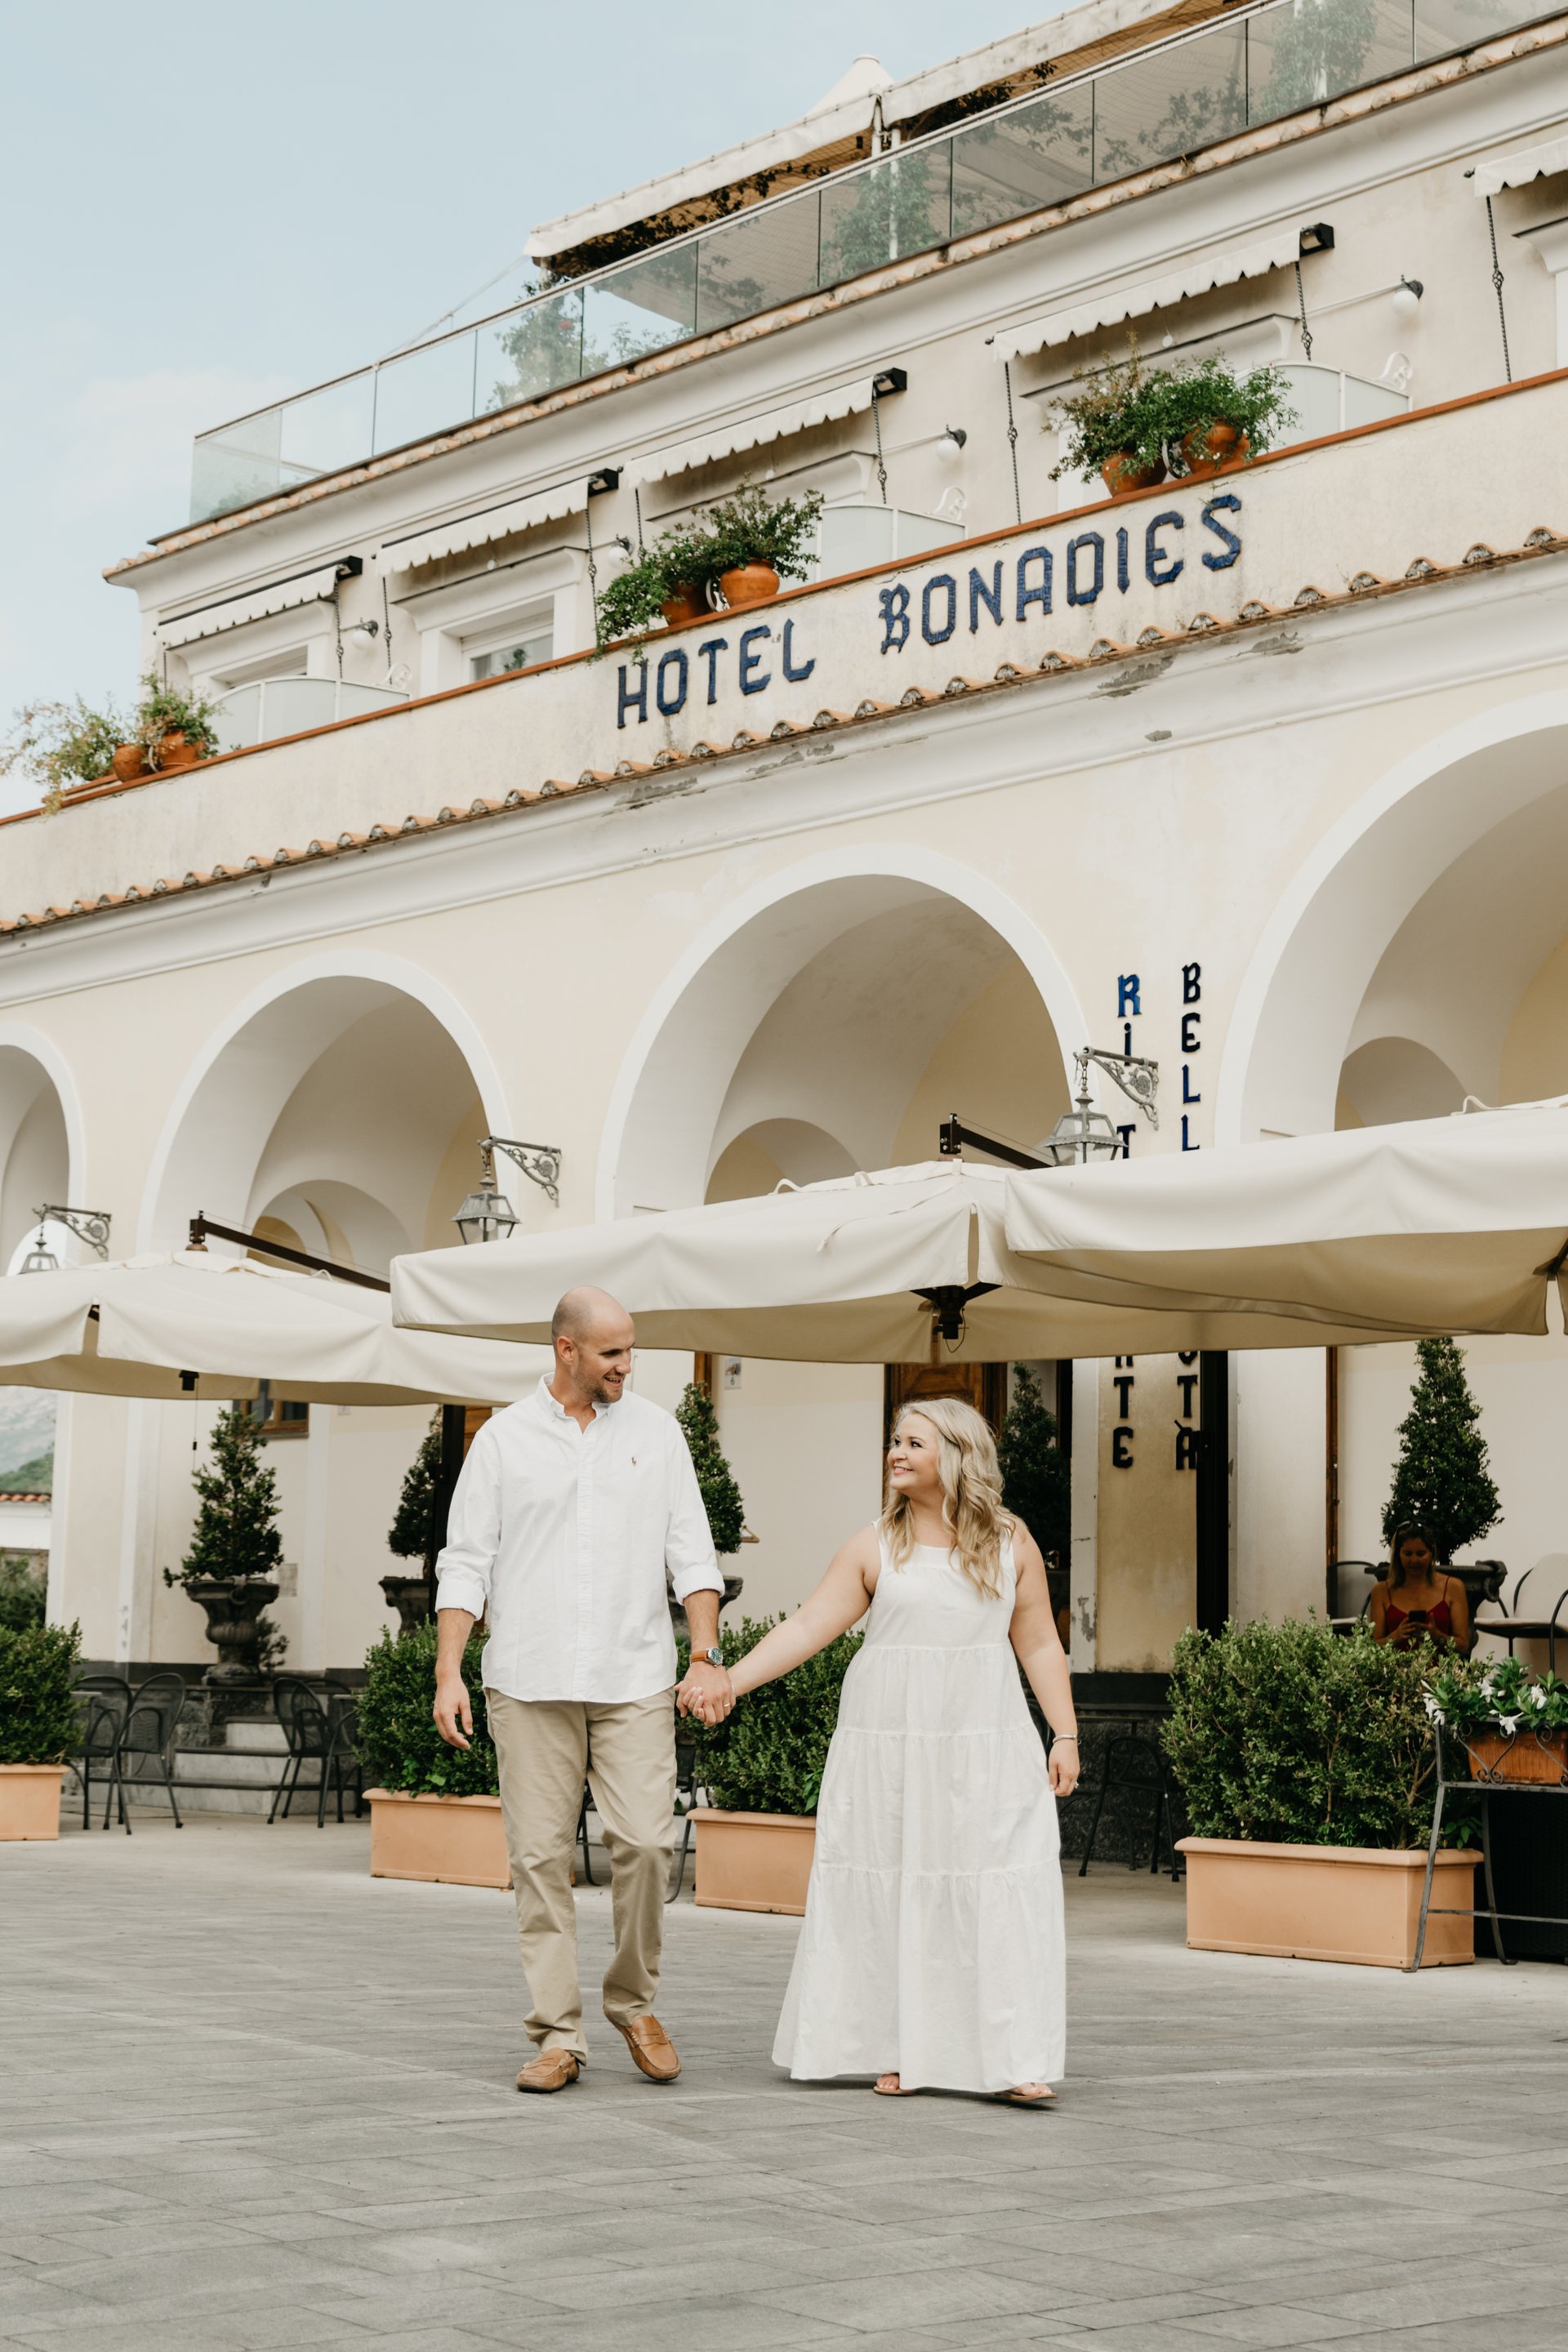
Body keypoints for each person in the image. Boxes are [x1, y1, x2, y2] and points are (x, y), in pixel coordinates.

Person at [684, 1395, 1078, 2105]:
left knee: (997, 1886)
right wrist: (729, 1681)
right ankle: (896, 2047)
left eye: (914, 1443)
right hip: (888, 1748)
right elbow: (808, 1627)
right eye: (895, 1440)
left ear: (956, 1455)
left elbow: (1041, 1643)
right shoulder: (873, 1545)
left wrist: (1066, 1733)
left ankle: (1013, 2056)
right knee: (893, 1888)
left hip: (986, 1745)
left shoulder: (1010, 1541)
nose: (896, 1452)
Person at [432, 1285, 732, 2093]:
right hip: (528, 1679)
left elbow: (692, 1554)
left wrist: (705, 1654)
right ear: (566, 1349)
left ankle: (632, 2002)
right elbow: (465, 1563)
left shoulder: (657, 1432)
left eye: (630, 1350)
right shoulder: (502, 1440)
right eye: (612, 1353)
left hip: (634, 1676)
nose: (627, 1366)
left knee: (647, 1843)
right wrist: (449, 1670)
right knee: (539, 1860)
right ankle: (558, 2035)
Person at [1369, 1521, 1472, 1654]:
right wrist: (1394, 1637)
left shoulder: (1453, 1587)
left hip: (1440, 1667)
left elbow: (1463, 1645)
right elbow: (1371, 1648)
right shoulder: (1381, 1591)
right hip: (1395, 1667)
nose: (1414, 1560)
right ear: (1398, 1554)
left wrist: (1437, 1637)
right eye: (1407, 1554)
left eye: (1421, 1554)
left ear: (1431, 1552)